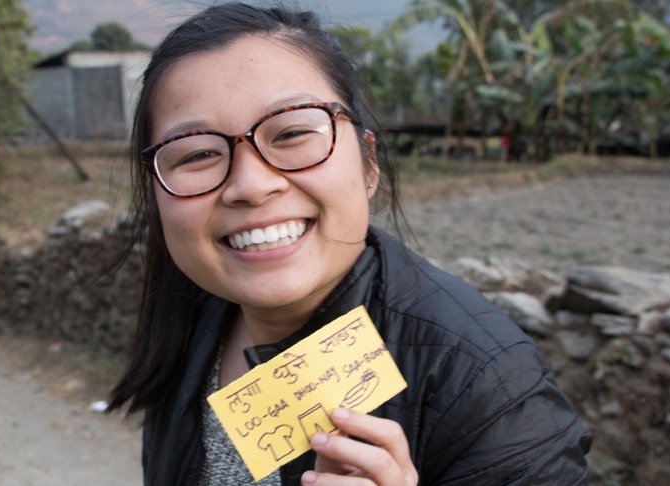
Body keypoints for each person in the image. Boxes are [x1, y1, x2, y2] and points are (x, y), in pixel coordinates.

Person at [107, 3, 591, 485]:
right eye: (197, 154)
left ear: (368, 163)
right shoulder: (193, 315)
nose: (251, 185)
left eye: (293, 132)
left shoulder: (490, 387)